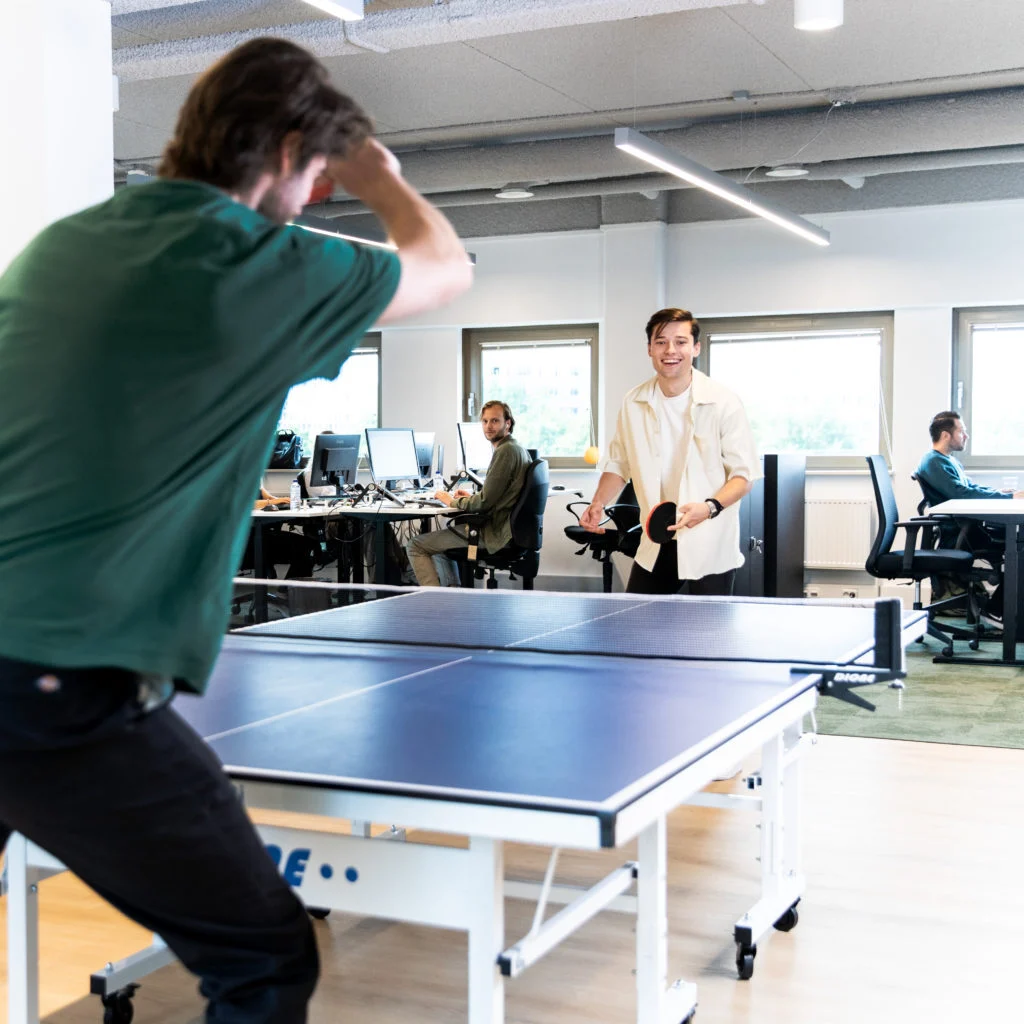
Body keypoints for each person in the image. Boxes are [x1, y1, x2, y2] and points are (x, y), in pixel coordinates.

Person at [0, 37, 471, 1024]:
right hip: (56, 678)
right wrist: (379, 176)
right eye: (315, 177)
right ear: (297, 149)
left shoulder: (64, 243)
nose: (312, 199)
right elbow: (444, 267)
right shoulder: (262, 263)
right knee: (262, 956)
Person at [580, 307, 759, 595]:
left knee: (708, 637)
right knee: (637, 626)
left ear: (696, 347)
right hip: (657, 539)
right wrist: (598, 502)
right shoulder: (633, 402)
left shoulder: (724, 402)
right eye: (661, 342)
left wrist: (709, 507)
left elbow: (743, 476)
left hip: (709, 540)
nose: (670, 350)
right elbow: (619, 464)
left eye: (680, 341)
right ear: (650, 348)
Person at [406, 401, 530, 586]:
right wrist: (469, 498)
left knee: (415, 545)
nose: (488, 426)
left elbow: (485, 502)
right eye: (485, 421)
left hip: (493, 533)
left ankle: (434, 603)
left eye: (495, 421)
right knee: (438, 545)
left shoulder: (505, 451)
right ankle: (454, 598)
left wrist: (452, 501)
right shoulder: (517, 448)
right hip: (507, 530)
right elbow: (496, 496)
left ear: (508, 423)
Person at [915, 411, 1023, 619]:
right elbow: (961, 494)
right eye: (962, 431)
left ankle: (1002, 610)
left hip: (968, 528)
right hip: (959, 532)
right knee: (1019, 549)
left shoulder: (949, 461)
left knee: (1020, 544)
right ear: (946, 435)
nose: (966, 436)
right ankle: (1001, 613)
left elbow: (971, 487)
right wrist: (1008, 500)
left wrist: (1001, 494)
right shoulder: (933, 462)